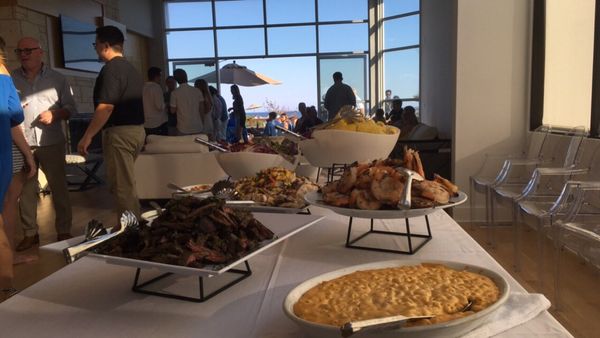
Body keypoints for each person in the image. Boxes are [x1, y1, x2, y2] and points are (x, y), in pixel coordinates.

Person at [11, 37, 76, 250]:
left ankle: (64, 231)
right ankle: (30, 234)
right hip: (23, 144)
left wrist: (56, 114)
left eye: (28, 50)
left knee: (59, 188)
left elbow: (71, 108)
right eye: (19, 51)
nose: (23, 54)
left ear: (41, 52)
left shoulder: (58, 79)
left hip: (51, 142)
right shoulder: (10, 79)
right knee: (26, 192)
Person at [78, 26, 145, 219]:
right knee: (125, 182)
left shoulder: (111, 70)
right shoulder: (131, 69)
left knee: (122, 185)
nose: (95, 48)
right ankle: (129, 225)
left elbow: (106, 107)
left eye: (95, 44)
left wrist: (87, 136)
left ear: (105, 45)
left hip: (120, 134)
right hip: (136, 131)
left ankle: (130, 232)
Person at [0, 37, 36, 264]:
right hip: (3, 147)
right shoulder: (3, 74)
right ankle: (8, 256)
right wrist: (29, 155)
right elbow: (13, 118)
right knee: (9, 201)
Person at [170, 69, 204, 135]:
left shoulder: (174, 93)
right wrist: (202, 122)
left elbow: (172, 111)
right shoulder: (197, 91)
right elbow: (201, 109)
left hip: (183, 127)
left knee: (184, 145)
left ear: (176, 80)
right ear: (186, 77)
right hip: (197, 126)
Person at [142, 66, 167, 137]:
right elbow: (159, 106)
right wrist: (166, 104)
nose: (161, 78)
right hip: (157, 123)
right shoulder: (156, 87)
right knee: (160, 145)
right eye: (160, 76)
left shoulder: (143, 87)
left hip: (146, 122)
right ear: (156, 76)